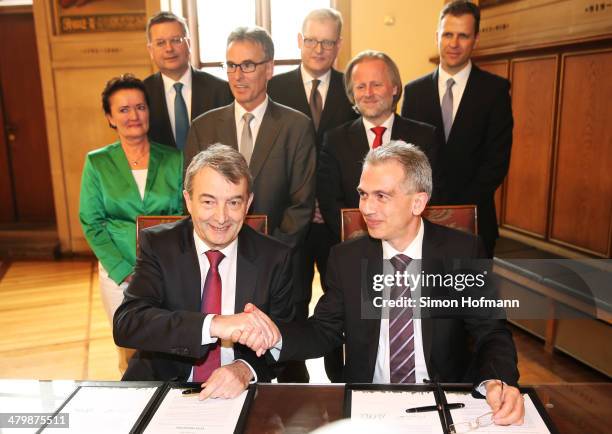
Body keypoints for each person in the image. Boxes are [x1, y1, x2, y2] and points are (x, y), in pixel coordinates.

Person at [235, 141, 525, 426]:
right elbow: (324, 330)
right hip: (368, 404)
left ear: (418, 202)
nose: (367, 208)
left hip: (444, 402)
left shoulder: (462, 252)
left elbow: (491, 332)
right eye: (363, 194)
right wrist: (276, 337)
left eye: (381, 196)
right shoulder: (347, 259)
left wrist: (496, 381)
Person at [184, 27, 316, 382]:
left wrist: (268, 259)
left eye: (248, 64)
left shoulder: (296, 125)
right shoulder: (203, 127)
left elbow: (302, 204)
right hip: (217, 263)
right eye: (230, 65)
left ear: (270, 68)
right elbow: (196, 201)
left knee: (282, 363)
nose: (238, 75)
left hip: (281, 267)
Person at [113, 144, 293, 399]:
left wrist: (245, 369)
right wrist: (214, 325)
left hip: (240, 392)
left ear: (248, 203)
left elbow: (285, 340)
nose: (221, 218)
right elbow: (127, 323)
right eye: (208, 201)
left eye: (233, 202)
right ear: (188, 200)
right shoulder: (159, 246)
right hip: (162, 385)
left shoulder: (275, 258)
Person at [267, 7, 358, 382]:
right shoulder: (275, 88)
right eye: (312, 40)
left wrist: (331, 207)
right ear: (299, 42)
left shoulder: (353, 88)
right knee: (291, 300)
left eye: (328, 41)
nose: (319, 48)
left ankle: (341, 375)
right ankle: (291, 375)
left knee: (342, 301)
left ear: (338, 45)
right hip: (291, 218)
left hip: (337, 222)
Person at [79, 74, 183, 373]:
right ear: (110, 117)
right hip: (118, 274)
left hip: (166, 270)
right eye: (123, 110)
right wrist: (124, 271)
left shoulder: (174, 159)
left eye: (140, 107)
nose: (133, 116)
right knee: (130, 351)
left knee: (168, 346)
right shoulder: (97, 162)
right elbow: (92, 222)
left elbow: (182, 214)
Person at [401, 0, 513, 258]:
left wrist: (458, 209)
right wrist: (431, 204)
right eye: (448, 34)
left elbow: (497, 161)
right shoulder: (414, 92)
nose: (454, 43)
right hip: (421, 218)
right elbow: (408, 156)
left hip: (474, 220)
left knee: (472, 296)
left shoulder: (495, 91)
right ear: (437, 36)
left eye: (463, 35)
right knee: (425, 295)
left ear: (475, 39)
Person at [318, 50, 437, 240]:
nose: (368, 93)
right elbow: (330, 202)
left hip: (411, 245)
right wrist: (364, 241)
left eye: (376, 85)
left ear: (395, 88)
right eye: (360, 86)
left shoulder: (425, 138)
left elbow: (432, 197)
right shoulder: (334, 141)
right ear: (352, 94)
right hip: (354, 249)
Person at [144, 11, 232, 150]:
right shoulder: (142, 94)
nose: (169, 48)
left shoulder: (220, 89)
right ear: (150, 50)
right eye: (160, 43)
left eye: (176, 40)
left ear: (189, 43)